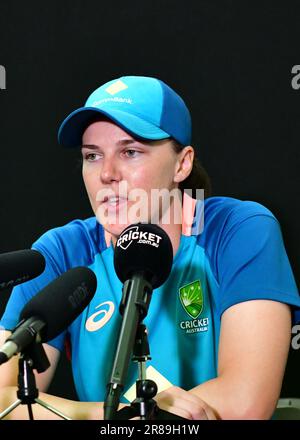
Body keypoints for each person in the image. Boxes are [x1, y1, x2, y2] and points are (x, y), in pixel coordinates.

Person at [0, 75, 299, 420]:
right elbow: (5, 398)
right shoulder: (62, 252)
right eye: (92, 155)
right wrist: (125, 417)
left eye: (130, 151)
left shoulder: (239, 230)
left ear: (182, 163)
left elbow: (247, 402)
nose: (107, 174)